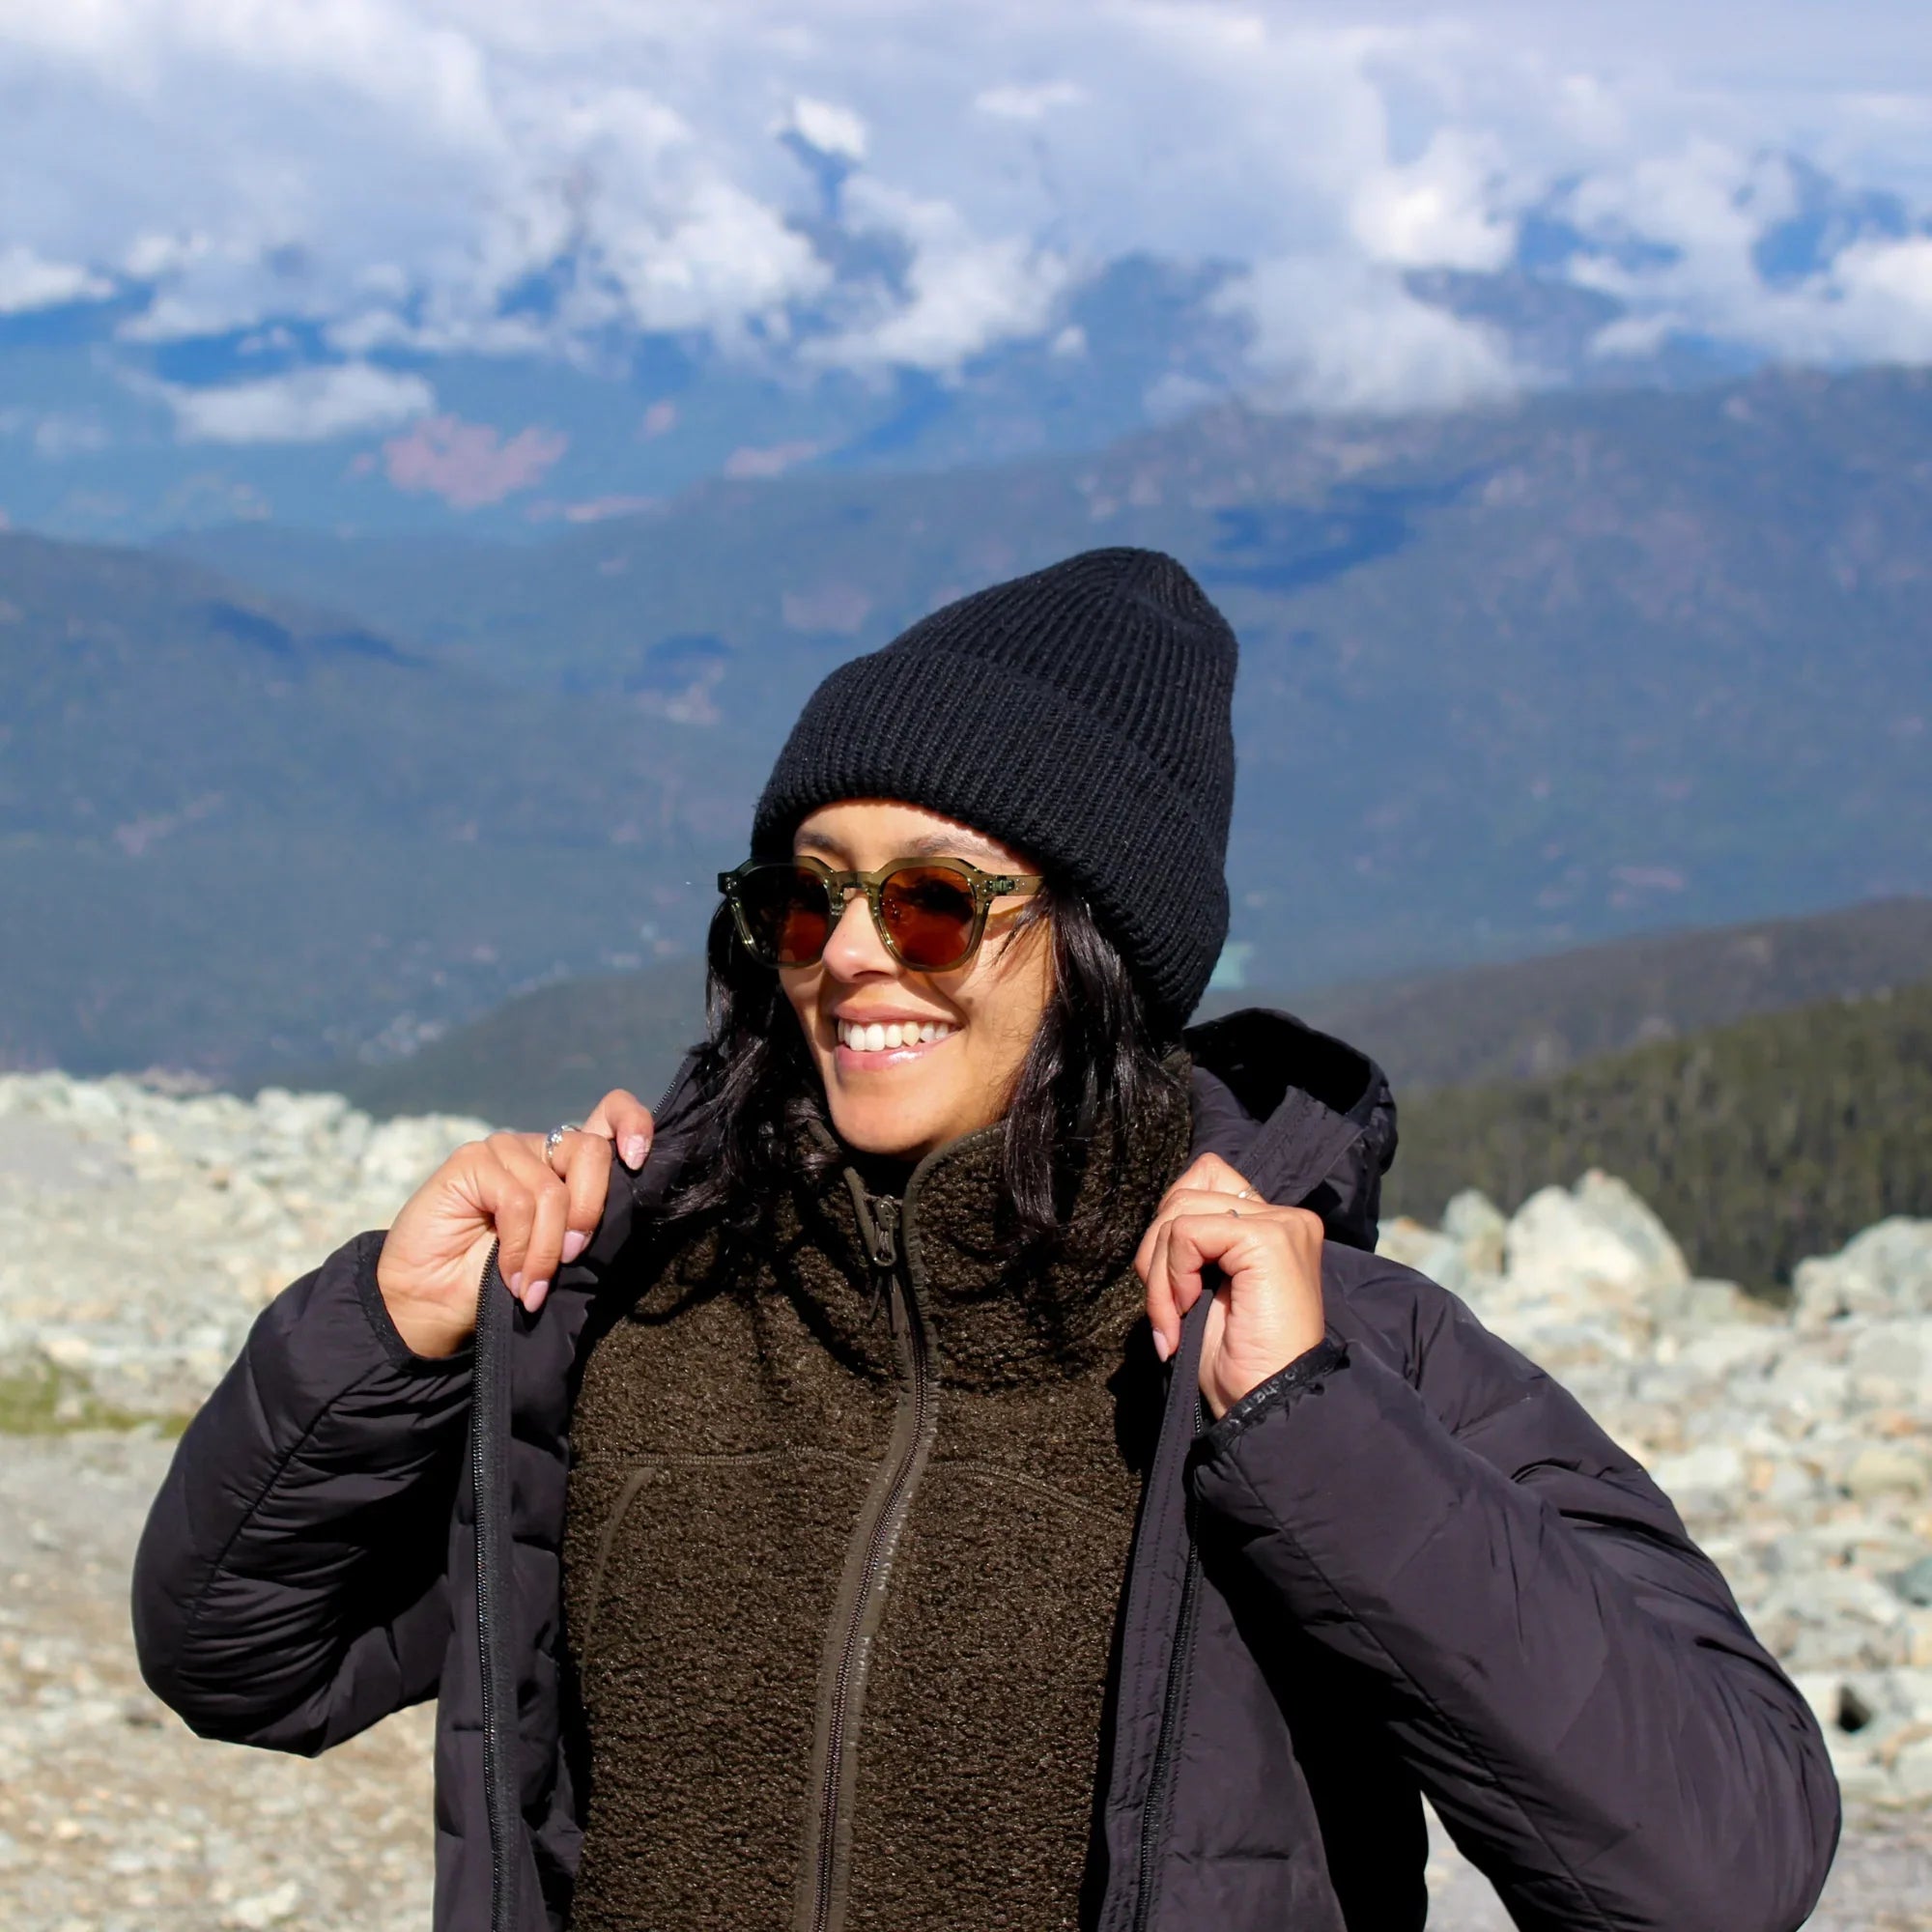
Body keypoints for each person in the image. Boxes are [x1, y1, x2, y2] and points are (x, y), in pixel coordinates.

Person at [132, 548, 1838, 1932]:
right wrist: (384, 1333)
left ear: (1100, 945)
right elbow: (236, 1655)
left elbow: (1720, 1867)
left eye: (936, 898)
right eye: (808, 893)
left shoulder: (1319, 1358)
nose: (855, 952)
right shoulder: (641, 1298)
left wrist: (1315, 1438)